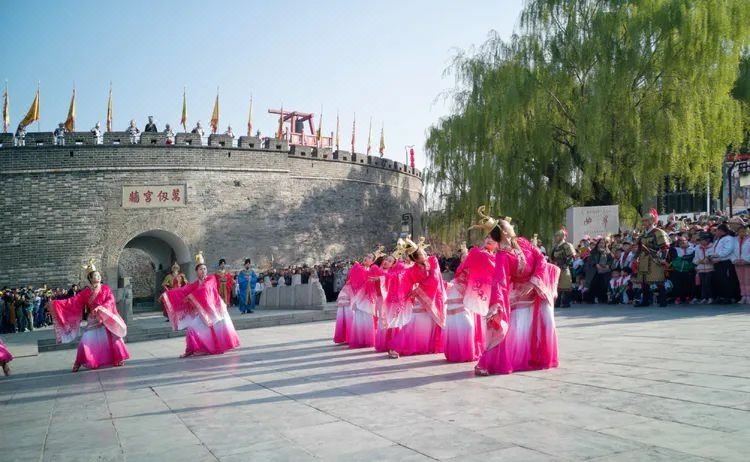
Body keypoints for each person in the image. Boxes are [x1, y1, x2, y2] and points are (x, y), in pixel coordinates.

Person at [474, 210, 560, 376]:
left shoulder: (523, 242)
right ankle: (500, 361)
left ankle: (539, 357)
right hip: (519, 292)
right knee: (518, 327)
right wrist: (496, 304)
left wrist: (533, 281)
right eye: (509, 226)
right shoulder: (502, 255)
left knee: (547, 321)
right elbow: (499, 281)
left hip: (537, 287)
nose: (513, 226)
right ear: (504, 232)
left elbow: (541, 259)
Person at [48, 260, 130, 372]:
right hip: (93, 318)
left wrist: (101, 308)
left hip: (105, 317)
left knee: (113, 337)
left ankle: (118, 358)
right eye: (96, 275)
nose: (98, 277)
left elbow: (110, 300)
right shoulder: (85, 292)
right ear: (90, 278)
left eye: (99, 275)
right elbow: (73, 301)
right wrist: (55, 304)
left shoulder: (105, 288)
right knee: (86, 340)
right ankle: (79, 362)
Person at [161, 252, 241, 357]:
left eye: (204, 269)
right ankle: (191, 350)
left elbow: (205, 289)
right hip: (203, 312)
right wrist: (166, 295)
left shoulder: (211, 279)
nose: (203, 271)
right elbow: (182, 290)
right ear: (196, 272)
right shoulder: (195, 284)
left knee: (219, 330)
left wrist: (191, 296)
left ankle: (217, 347)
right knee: (192, 329)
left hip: (215, 310)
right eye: (200, 269)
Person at [443, 215, 496, 362]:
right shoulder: (477, 253)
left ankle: (469, 350)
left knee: (473, 322)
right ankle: (459, 352)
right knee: (463, 324)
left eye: (493, 238)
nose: (489, 240)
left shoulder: (495, 257)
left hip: (474, 292)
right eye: (487, 237)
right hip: (460, 290)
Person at [388, 237, 446, 358]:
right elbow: (404, 281)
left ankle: (429, 346)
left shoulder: (433, 260)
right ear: (415, 259)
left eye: (423, 252)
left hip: (435, 296)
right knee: (414, 322)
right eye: (420, 255)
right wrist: (406, 293)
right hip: (422, 298)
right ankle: (397, 347)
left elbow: (435, 278)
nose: (424, 255)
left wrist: (418, 290)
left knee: (433, 322)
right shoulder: (412, 270)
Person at [635, 211, 670, 307]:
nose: (644, 223)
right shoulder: (643, 233)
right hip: (643, 258)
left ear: (651, 221)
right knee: (644, 281)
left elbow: (665, 247)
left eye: (646, 221)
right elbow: (639, 247)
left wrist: (662, 258)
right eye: (643, 221)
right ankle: (645, 300)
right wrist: (636, 257)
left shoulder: (658, 232)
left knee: (658, 280)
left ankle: (663, 300)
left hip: (655, 258)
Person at [550, 226, 576, 308]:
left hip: (564, 268)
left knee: (566, 285)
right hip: (556, 267)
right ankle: (557, 302)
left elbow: (571, 256)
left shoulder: (567, 245)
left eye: (557, 236)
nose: (556, 237)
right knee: (557, 286)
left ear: (561, 236)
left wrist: (565, 265)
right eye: (556, 236)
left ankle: (566, 302)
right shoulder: (555, 246)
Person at [733, 223, 750, 304]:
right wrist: (734, 260)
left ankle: (748, 296)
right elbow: (732, 251)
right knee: (741, 280)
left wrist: (746, 260)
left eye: (744, 231)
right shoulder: (735, 240)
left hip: (747, 263)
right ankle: (743, 296)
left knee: (747, 280)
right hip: (737, 263)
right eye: (740, 231)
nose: (742, 233)